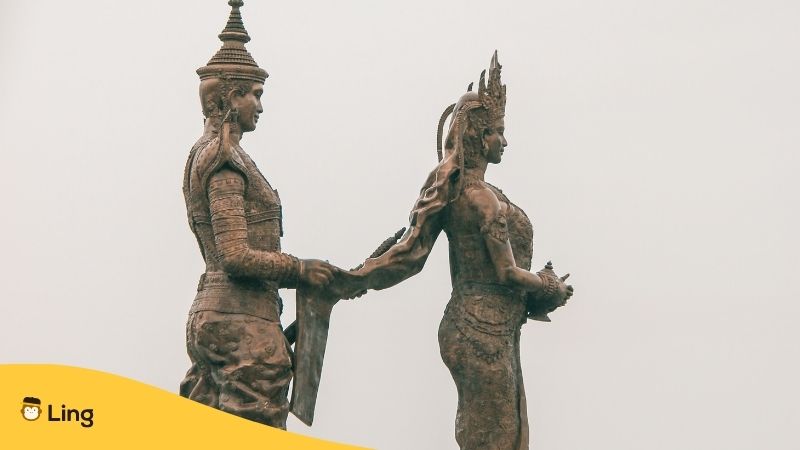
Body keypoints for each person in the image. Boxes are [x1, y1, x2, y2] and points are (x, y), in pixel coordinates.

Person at [349, 52, 574, 450]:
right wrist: (547, 284)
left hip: (485, 327)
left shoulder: (463, 192)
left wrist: (360, 275)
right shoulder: (481, 198)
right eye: (498, 132)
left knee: (503, 433)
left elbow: (410, 256)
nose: (504, 141)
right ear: (477, 136)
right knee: (496, 437)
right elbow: (505, 273)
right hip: (481, 330)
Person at [179, 0, 339, 429]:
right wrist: (299, 269)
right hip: (240, 322)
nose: (260, 107)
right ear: (232, 95)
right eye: (255, 95)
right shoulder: (226, 160)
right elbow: (234, 254)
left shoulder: (206, 152)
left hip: (220, 317)